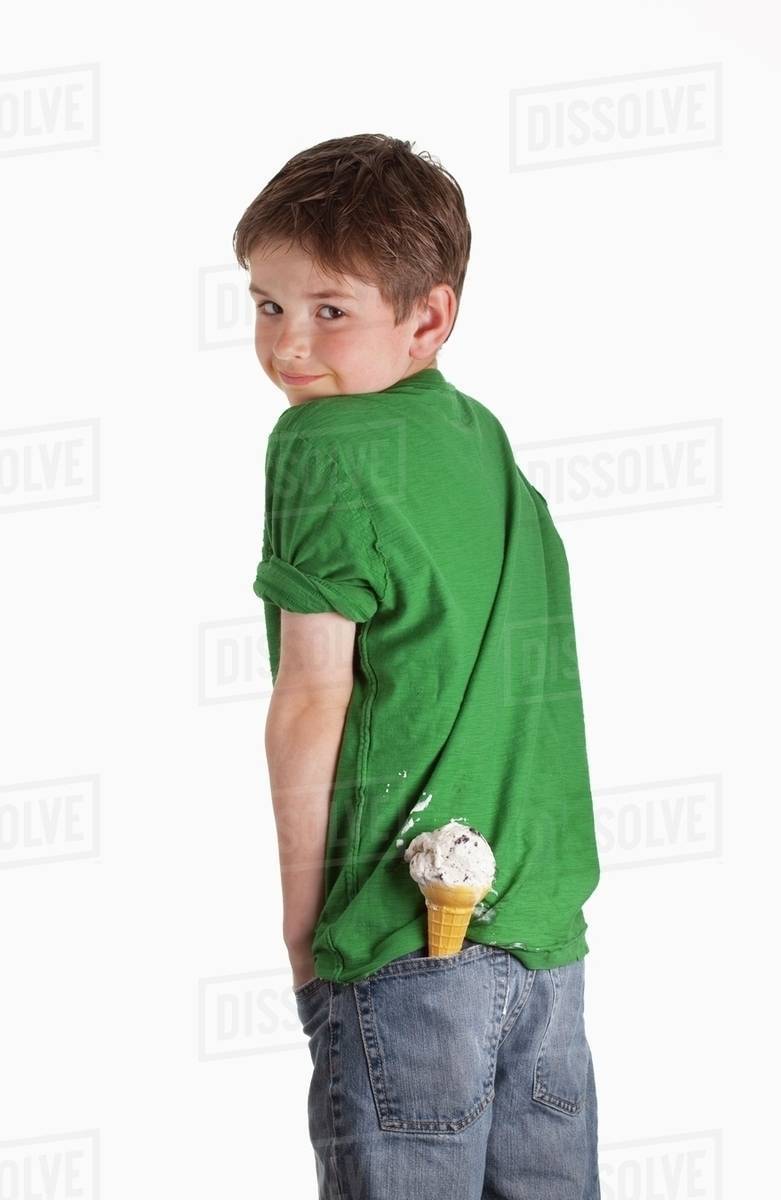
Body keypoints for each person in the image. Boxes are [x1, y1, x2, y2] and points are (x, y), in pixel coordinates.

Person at [233, 133, 602, 1200]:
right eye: (265, 304)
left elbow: (311, 697)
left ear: (427, 317)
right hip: (541, 948)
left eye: (327, 310)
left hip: (401, 937)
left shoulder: (321, 445)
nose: (287, 345)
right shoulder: (478, 439)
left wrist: (305, 929)